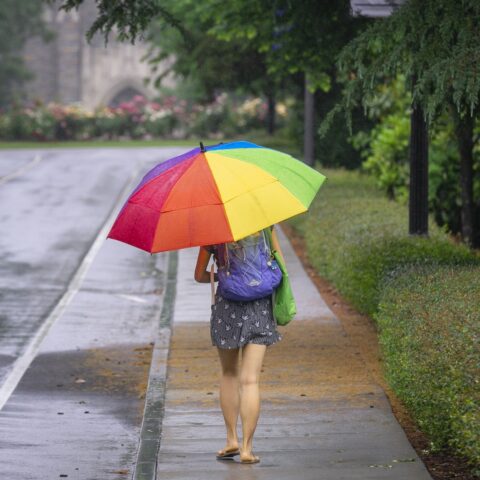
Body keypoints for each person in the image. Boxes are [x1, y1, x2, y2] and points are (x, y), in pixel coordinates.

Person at [194, 225, 285, 464]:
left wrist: (223, 275)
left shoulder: (213, 229)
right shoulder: (266, 226)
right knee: (251, 380)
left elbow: (199, 275)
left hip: (227, 310)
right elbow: (281, 269)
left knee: (229, 373)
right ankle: (247, 449)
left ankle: (231, 439)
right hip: (259, 308)